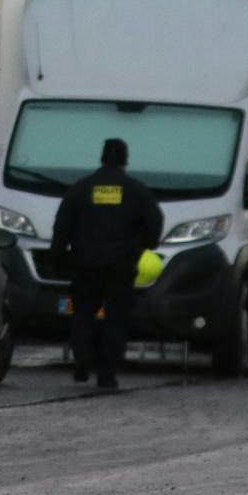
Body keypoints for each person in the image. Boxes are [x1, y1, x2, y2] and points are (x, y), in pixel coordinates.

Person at [51, 137, 164, 390]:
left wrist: (58, 258)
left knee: (83, 314)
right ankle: (107, 375)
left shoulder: (80, 189)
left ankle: (82, 358)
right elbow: (154, 221)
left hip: (85, 265)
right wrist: (143, 246)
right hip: (120, 267)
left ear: (102, 158)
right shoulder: (137, 190)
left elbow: (62, 227)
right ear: (125, 160)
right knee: (116, 320)